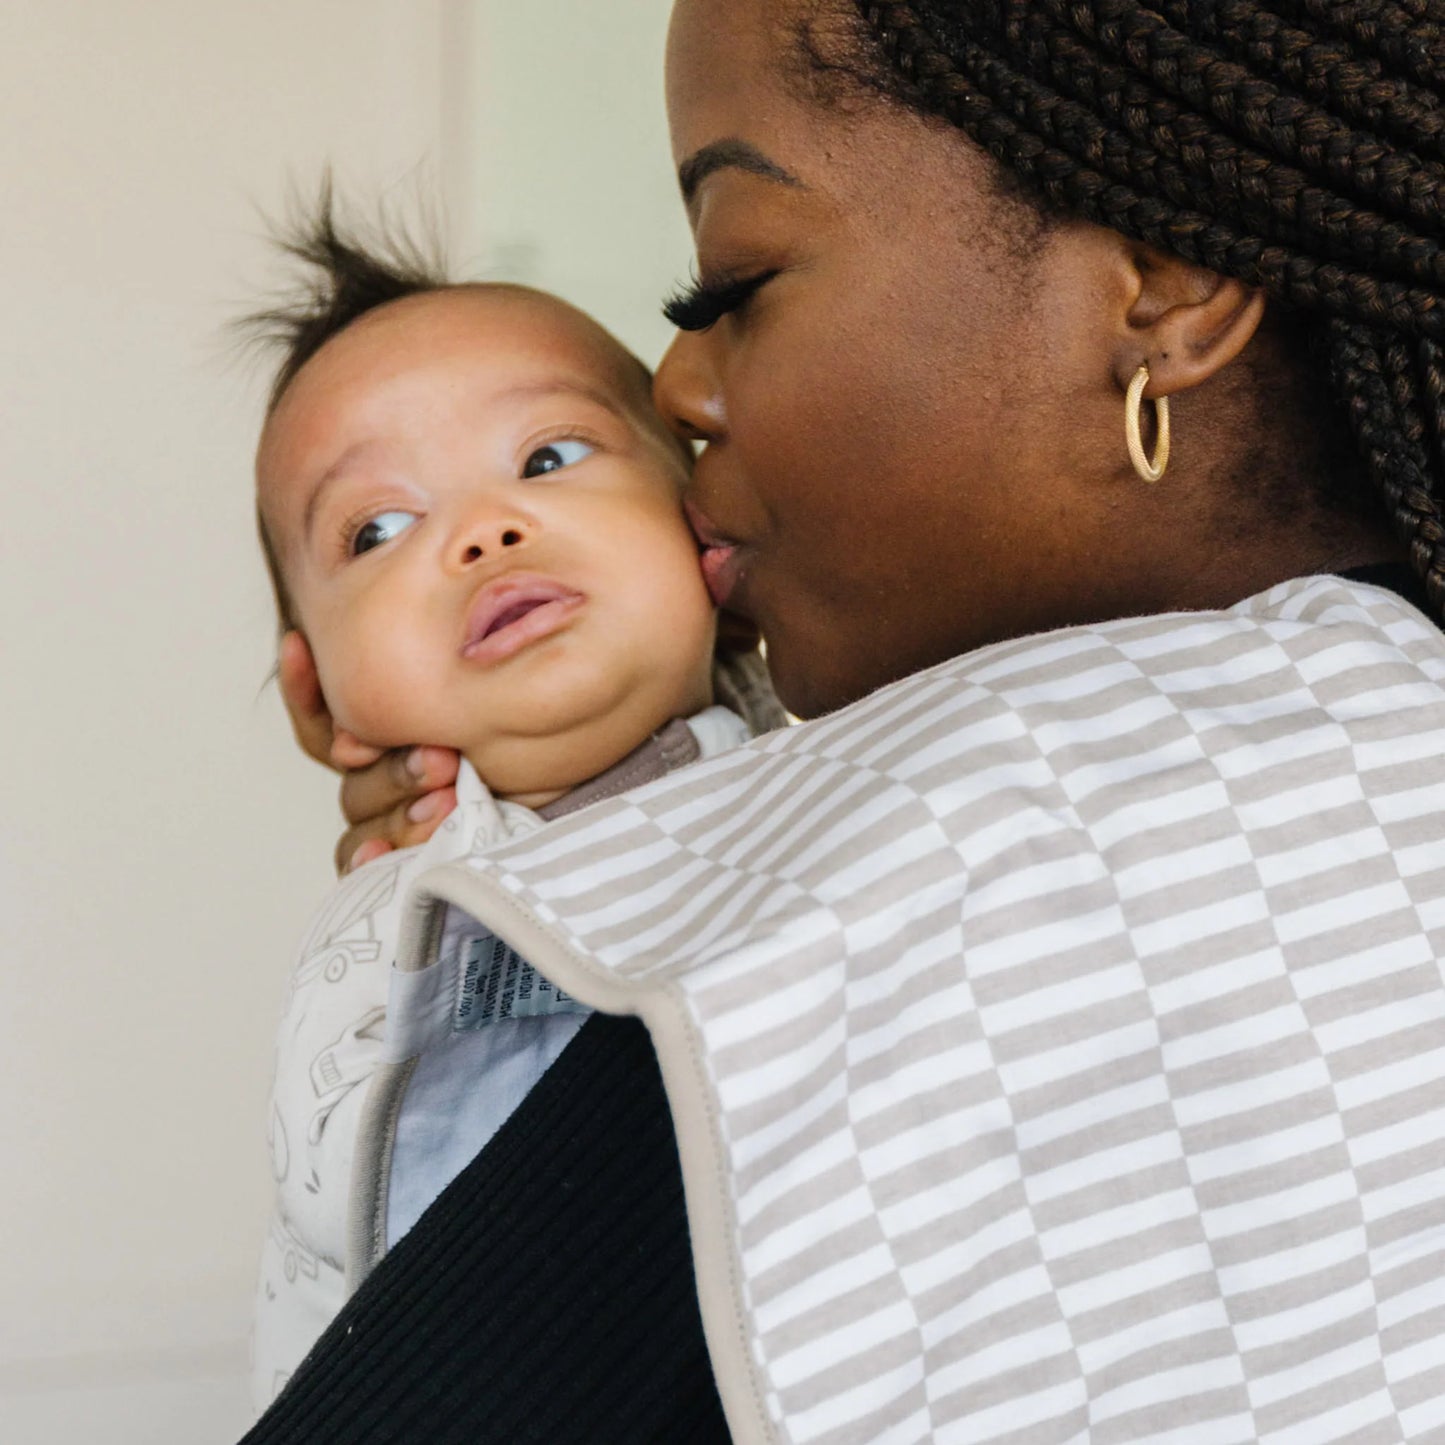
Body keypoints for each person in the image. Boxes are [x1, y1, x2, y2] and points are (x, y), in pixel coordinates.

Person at [245, 2, 1445, 1441]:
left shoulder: (973, 837)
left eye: (727, 284)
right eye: (378, 529)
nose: (680, 388)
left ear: (1167, 288)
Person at [243, 201, 783, 1409]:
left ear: (707, 527)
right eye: (377, 527)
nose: (481, 533)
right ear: (316, 687)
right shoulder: (396, 919)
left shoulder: (836, 770)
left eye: (547, 457)